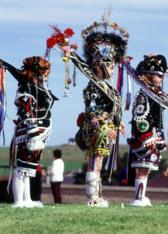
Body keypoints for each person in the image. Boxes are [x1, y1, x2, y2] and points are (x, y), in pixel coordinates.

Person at [71, 15, 128, 207]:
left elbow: (113, 108)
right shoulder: (94, 86)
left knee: (98, 161)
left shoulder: (108, 87)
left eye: (114, 64)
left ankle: (96, 196)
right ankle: (92, 198)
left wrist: (117, 122)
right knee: (95, 161)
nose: (113, 68)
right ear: (101, 65)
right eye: (110, 65)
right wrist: (106, 124)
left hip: (106, 128)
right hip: (97, 128)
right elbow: (93, 109)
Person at [0, 56, 57, 208]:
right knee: (22, 167)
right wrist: (33, 132)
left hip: (38, 132)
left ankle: (28, 199)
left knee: (30, 169)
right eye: (45, 71)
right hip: (29, 132)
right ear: (37, 72)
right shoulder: (25, 88)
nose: (47, 74)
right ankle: (19, 201)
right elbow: (26, 112)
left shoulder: (38, 88)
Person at [128, 55, 168, 207]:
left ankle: (141, 196)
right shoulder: (143, 94)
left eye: (161, 75)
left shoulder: (154, 93)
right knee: (142, 169)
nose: (161, 78)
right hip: (145, 137)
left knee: (146, 168)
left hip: (154, 136)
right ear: (149, 76)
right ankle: (138, 198)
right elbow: (139, 117)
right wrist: (147, 137)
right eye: (158, 75)